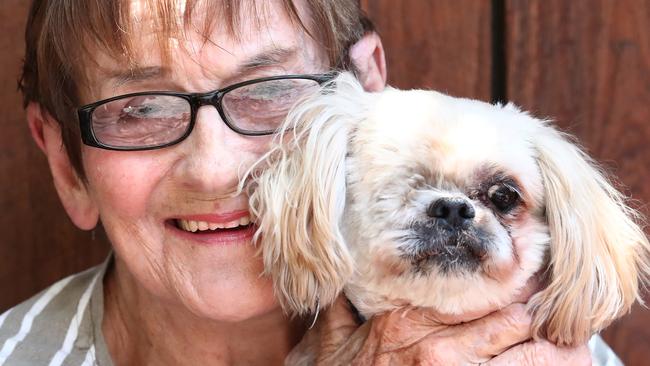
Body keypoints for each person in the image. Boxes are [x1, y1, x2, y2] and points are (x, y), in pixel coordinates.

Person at [0, 0, 615, 364]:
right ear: (65, 163)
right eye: (141, 109)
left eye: (271, 93)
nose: (216, 169)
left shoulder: (542, 349)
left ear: (372, 94)